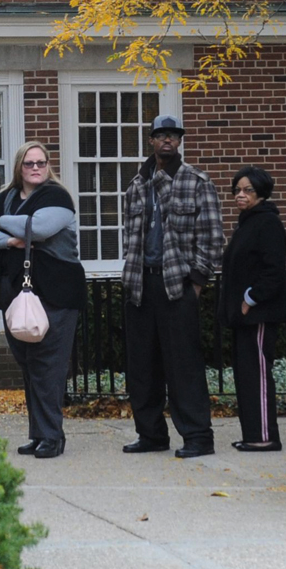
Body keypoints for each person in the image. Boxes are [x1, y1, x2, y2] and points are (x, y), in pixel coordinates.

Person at [119, 115, 225, 459]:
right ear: (151, 140)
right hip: (140, 286)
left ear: (179, 142)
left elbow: (213, 237)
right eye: (161, 135)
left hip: (177, 285)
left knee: (184, 366)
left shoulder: (196, 181)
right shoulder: (136, 185)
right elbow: (129, 236)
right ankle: (151, 435)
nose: (167, 141)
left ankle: (198, 436)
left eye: (173, 136)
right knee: (142, 367)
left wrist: (196, 281)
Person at [0, 142, 86, 458]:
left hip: (57, 292)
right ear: (19, 167)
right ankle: (38, 434)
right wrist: (11, 239)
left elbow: (41, 228)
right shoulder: (3, 198)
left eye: (41, 162)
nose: (35, 168)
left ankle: (52, 437)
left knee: (48, 365)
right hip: (16, 293)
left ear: (48, 165)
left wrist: (2, 222)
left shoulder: (57, 197)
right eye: (28, 163)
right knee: (28, 364)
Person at [219, 166, 286, 452]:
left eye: (247, 190)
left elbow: (273, 272)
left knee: (257, 374)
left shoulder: (267, 223)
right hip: (243, 317)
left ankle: (264, 437)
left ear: (261, 192)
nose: (240, 195)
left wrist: (250, 300)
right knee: (246, 375)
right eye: (237, 190)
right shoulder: (247, 222)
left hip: (258, 314)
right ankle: (253, 434)